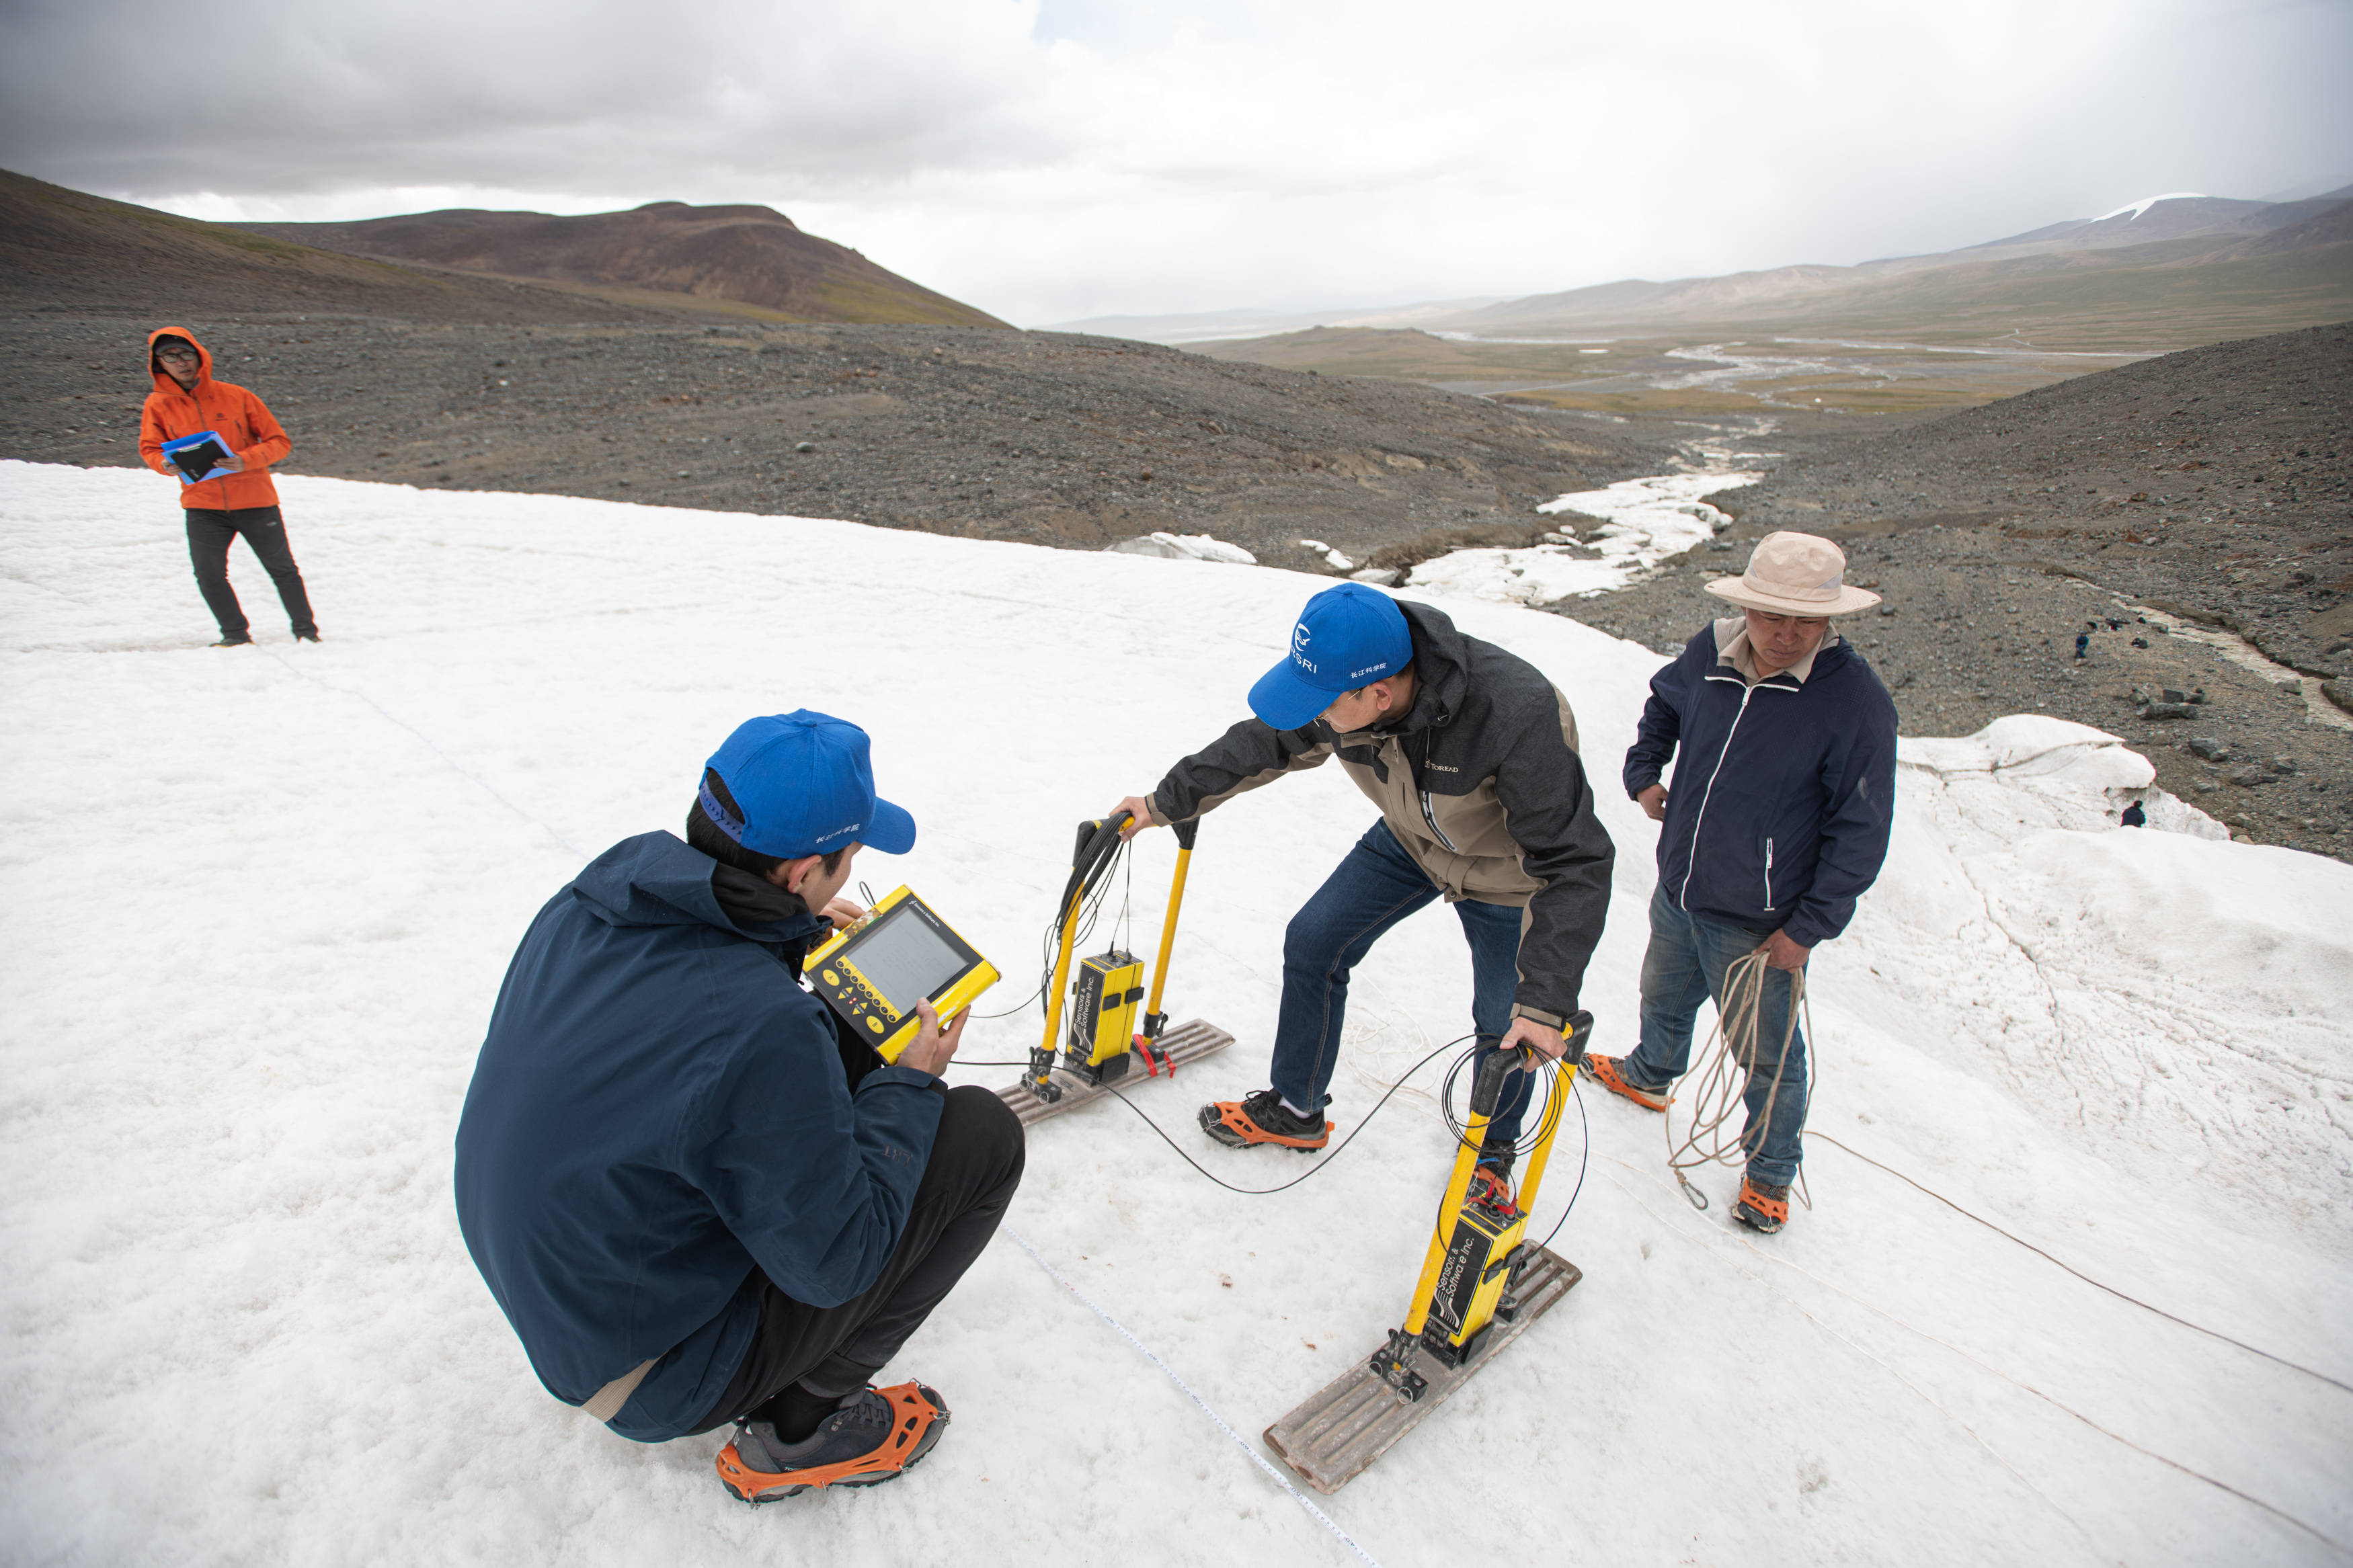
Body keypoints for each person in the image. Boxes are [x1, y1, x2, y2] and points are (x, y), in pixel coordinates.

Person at [454, 710, 1023, 1503]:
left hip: (569, 1297)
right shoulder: (760, 1025)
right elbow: (839, 1263)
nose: (849, 873)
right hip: (650, 1373)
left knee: (837, 1027)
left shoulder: (591, 903)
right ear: (800, 871)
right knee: (981, 1135)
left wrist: (790, 932)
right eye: (847, 859)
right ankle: (801, 1425)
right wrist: (909, 1082)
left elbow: (693, 1027)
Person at [1109, 583, 1614, 1192]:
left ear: (1379, 694)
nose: (1314, 716)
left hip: (1507, 874)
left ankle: (1491, 1156)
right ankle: (1297, 1108)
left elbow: (1574, 858)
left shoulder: (1515, 713)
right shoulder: (1348, 688)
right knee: (1315, 940)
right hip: (1411, 841)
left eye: (1323, 704)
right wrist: (1162, 803)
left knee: (1506, 1022)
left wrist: (1545, 1004)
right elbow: (1263, 741)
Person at [1585, 532, 1897, 1235]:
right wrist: (1643, 773)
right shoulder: (1714, 647)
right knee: (1662, 994)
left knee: (1768, 1056)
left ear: (1829, 619)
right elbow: (1664, 704)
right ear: (1746, 606)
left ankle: (1770, 1173)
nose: (1786, 634)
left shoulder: (1854, 701)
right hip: (1681, 885)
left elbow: (1861, 829)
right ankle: (1650, 1074)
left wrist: (1807, 929)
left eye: (1806, 621)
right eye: (1771, 616)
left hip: (1759, 920)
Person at [136, 327, 319, 646]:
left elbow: (279, 442)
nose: (180, 362)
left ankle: (307, 634)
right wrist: (163, 464)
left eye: (186, 354)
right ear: (158, 364)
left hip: (255, 500)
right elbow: (150, 448)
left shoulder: (238, 396)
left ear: (200, 356)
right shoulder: (157, 405)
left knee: (282, 569)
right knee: (208, 574)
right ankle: (235, 636)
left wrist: (245, 460)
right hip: (203, 505)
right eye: (170, 357)